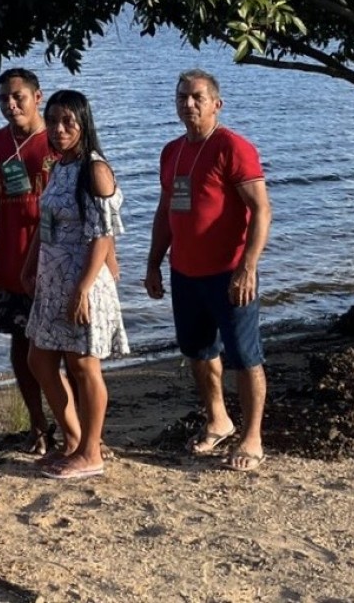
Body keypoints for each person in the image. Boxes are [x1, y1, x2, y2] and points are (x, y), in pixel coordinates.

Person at [144, 69, 272, 472]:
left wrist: (247, 267)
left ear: (216, 103)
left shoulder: (232, 147)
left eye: (198, 97)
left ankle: (252, 438)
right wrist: (153, 263)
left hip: (228, 272)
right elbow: (166, 210)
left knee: (244, 357)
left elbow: (261, 209)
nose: (189, 104)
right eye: (182, 96)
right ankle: (218, 418)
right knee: (199, 353)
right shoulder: (173, 151)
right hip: (185, 272)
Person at [22, 91, 128, 481]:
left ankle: (91, 451)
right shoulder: (60, 165)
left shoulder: (95, 169)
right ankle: (72, 439)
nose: (59, 129)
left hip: (82, 280)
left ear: (83, 122)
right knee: (40, 359)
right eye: (52, 121)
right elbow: (46, 222)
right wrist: (29, 264)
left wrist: (82, 288)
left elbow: (103, 236)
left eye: (68, 121)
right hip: (52, 277)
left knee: (84, 366)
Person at [0, 68, 58, 454]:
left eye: (18, 96)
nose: (10, 104)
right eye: (3, 97)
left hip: (55, 265)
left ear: (38, 97)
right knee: (21, 347)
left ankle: (79, 429)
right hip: (10, 265)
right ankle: (38, 426)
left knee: (65, 351)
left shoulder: (60, 140)